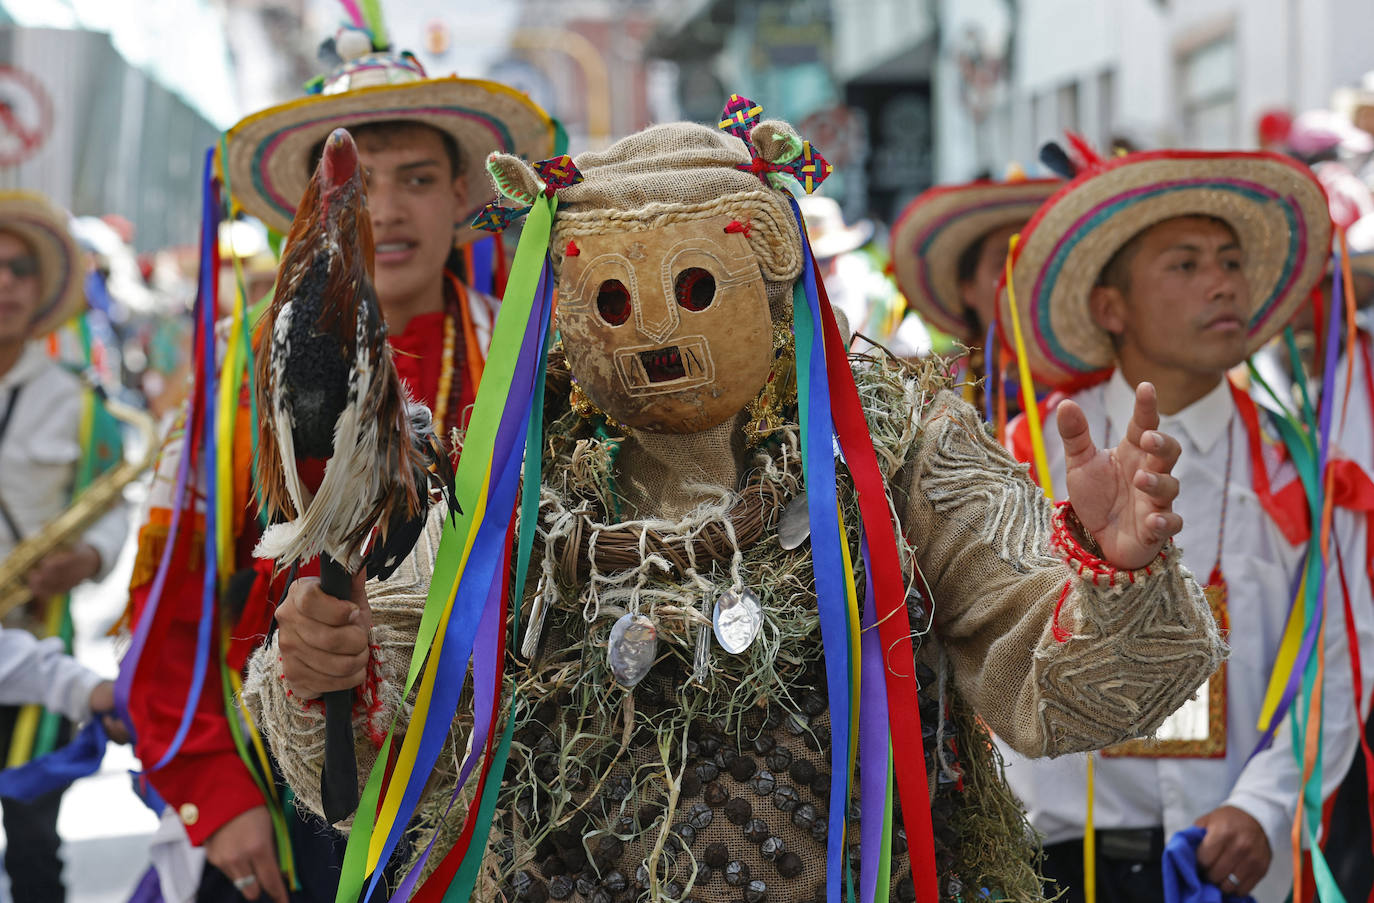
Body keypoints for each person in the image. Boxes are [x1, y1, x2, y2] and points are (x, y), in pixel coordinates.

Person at [245, 102, 1224, 901]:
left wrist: (1116, 574)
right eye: (616, 302)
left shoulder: (901, 450)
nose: (655, 332)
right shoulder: (504, 484)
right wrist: (324, 675)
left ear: (770, 273)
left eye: (698, 282)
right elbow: (381, 767)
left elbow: (1054, 694)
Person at [120, 25, 558, 903]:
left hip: (497, 796)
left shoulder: (530, 359)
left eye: (419, 180)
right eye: (354, 182)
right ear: (312, 205)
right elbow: (167, 608)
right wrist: (217, 790)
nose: (385, 211)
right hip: (288, 806)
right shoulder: (238, 373)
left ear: (467, 193)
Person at [997, 145, 1373, 902]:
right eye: (1185, 263)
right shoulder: (1020, 458)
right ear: (1111, 308)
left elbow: (1340, 658)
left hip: (1231, 865)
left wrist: (1266, 805)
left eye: (1231, 261)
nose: (1223, 282)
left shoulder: (1306, 472)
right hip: (1055, 865)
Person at [0, 190, 129, 903]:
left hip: (37, 638)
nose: (5, 284)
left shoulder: (81, 404)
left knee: (35, 844)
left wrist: (87, 559)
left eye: (20, 268)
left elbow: (112, 501)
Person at [890, 173, 1058, 421]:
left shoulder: (1092, 389)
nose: (1024, 277)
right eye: (1005, 262)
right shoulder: (929, 387)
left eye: (1035, 258)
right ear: (967, 288)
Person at [798, 195, 929, 357]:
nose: (825, 267)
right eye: (815, 260)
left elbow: (916, 346)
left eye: (828, 258)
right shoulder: (783, 294)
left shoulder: (872, 289)